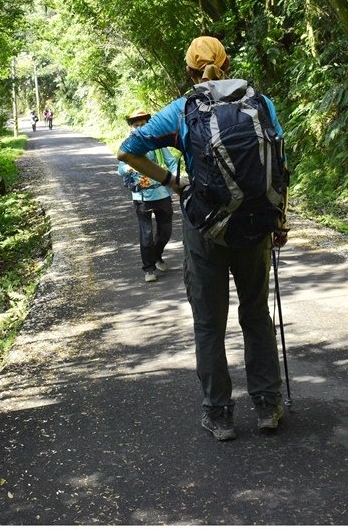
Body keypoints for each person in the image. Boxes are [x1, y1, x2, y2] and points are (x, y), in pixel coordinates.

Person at [117, 36, 288, 441]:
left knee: (209, 324)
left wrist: (174, 184)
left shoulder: (182, 111)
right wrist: (279, 220)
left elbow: (128, 151)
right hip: (255, 224)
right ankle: (267, 406)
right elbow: (279, 165)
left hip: (205, 226)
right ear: (227, 64)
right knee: (257, 315)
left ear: (190, 71)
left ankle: (220, 415)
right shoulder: (261, 104)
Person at [116, 109, 178, 283]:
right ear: (131, 127)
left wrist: (174, 179)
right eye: (136, 125)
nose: (139, 128)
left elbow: (171, 162)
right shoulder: (127, 145)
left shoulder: (158, 143)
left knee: (166, 231)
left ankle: (157, 256)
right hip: (141, 195)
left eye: (143, 125)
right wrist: (128, 168)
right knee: (146, 233)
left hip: (162, 192)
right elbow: (120, 169)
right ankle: (149, 269)